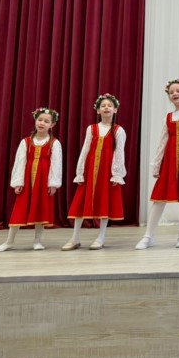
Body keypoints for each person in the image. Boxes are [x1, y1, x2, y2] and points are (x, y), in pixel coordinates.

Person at [135, 79, 179, 249]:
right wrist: (157, 163)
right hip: (170, 161)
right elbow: (162, 141)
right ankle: (148, 236)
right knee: (159, 198)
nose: (174, 93)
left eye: (178, 90)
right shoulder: (168, 117)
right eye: (171, 92)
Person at [0, 108, 62, 252]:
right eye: (40, 120)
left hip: (43, 181)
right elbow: (20, 162)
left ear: (52, 125)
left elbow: (56, 164)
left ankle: (37, 241)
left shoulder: (54, 143)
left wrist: (53, 183)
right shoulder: (26, 142)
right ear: (35, 121)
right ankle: (9, 241)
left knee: (40, 208)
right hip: (27, 179)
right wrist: (18, 182)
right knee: (19, 209)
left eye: (46, 121)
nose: (42, 123)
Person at [63, 94, 126, 250]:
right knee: (80, 202)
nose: (106, 108)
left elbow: (119, 152)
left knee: (104, 201)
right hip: (89, 170)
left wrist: (116, 173)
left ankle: (101, 237)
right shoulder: (91, 129)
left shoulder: (118, 130)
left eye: (109, 105)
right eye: (103, 105)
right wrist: (80, 171)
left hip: (107, 171)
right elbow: (85, 149)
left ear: (115, 110)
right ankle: (75, 238)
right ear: (98, 110)